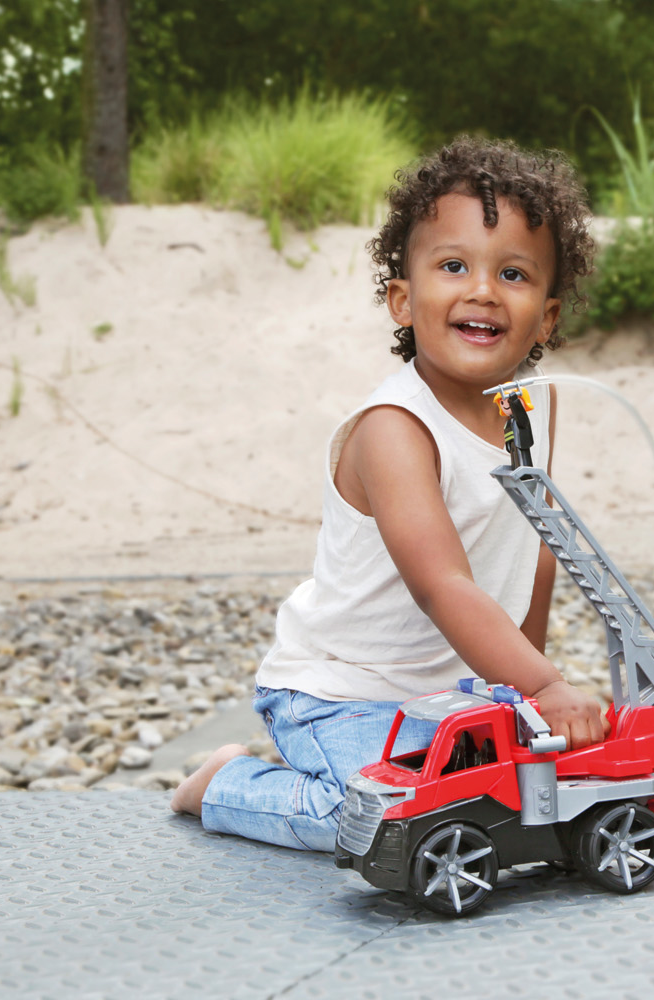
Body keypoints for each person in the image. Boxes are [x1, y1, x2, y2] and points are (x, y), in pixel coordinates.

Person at [170, 136, 605, 852]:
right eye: (454, 265)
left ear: (548, 317)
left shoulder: (528, 413)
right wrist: (548, 684)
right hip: (338, 695)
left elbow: (538, 555)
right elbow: (443, 586)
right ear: (403, 299)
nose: (484, 290)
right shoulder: (394, 430)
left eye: (515, 273)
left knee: (503, 803)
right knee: (389, 821)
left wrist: (520, 701)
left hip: (445, 702)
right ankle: (225, 782)